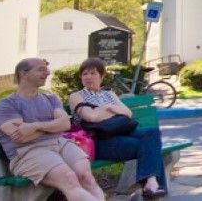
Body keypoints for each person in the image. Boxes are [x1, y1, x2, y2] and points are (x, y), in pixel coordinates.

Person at [0, 58, 103, 201]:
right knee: (69, 179)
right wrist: (52, 127)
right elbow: (22, 137)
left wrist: (34, 126)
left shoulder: (51, 99)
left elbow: (65, 125)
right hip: (28, 152)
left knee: (85, 176)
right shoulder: (6, 105)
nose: (48, 73)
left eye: (47, 69)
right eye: (41, 69)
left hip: (59, 143)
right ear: (23, 74)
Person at [70, 57, 168, 198]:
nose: (88, 77)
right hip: (99, 140)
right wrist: (113, 109)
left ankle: (152, 183)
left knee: (152, 133)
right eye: (85, 74)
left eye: (93, 73)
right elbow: (90, 117)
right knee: (147, 147)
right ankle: (153, 186)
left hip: (121, 132)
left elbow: (128, 113)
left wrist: (106, 108)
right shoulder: (76, 96)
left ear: (102, 76)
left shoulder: (109, 94)